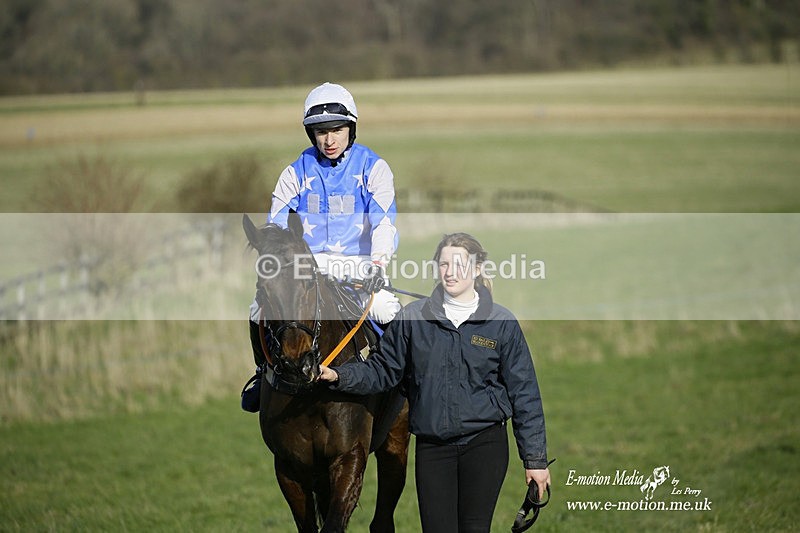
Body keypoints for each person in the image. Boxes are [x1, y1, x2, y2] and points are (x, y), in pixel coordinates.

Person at [319, 232, 550, 532]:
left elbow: (525, 395)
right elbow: (381, 370)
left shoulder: (500, 323)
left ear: (478, 268)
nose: (450, 272)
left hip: (485, 445)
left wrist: (535, 461)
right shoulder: (413, 320)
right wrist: (339, 375)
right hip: (433, 448)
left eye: (459, 264)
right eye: (443, 264)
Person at [241, 82, 401, 412]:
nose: (328, 140)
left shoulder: (374, 168)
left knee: (391, 312)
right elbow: (276, 223)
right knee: (257, 310)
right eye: (320, 132)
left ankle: (404, 381)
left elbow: (384, 221)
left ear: (350, 128)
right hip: (307, 266)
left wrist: (379, 265)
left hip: (359, 265)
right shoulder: (295, 171)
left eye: (336, 130)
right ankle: (263, 373)